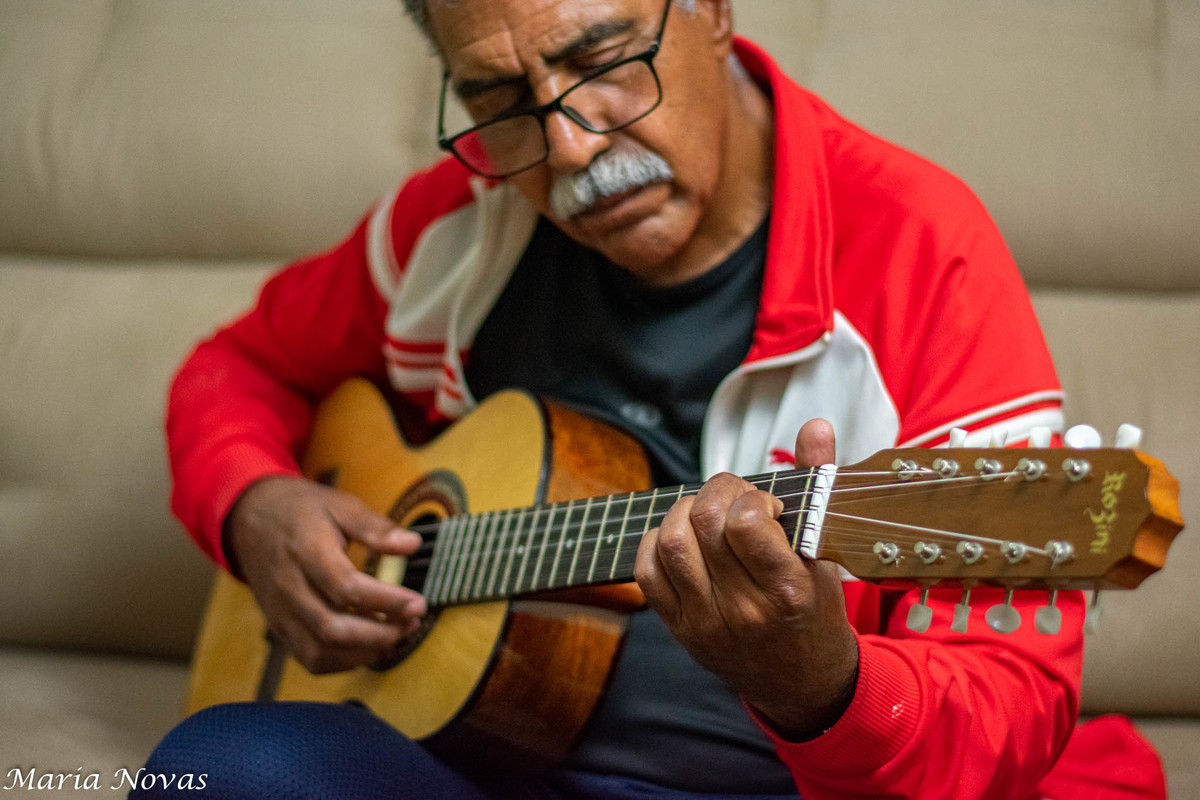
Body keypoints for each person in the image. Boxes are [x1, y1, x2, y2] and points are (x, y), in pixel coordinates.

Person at [142, 0, 1165, 798]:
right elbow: (238, 368)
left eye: (603, 62)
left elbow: (1007, 699)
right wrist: (253, 503)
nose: (571, 147)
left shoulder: (916, 247)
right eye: (500, 99)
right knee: (217, 767)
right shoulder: (459, 226)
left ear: (711, 11)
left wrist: (823, 686)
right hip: (473, 761)